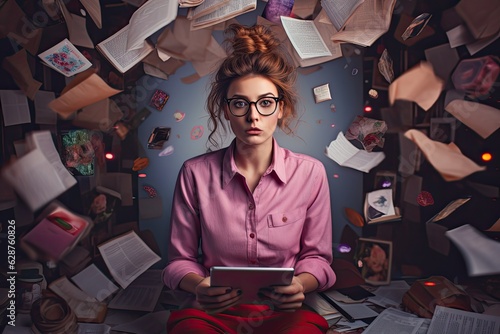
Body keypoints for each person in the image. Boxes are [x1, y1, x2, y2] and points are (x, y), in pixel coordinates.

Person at [163, 23, 336, 334]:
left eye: (265, 103)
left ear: (281, 109)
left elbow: (318, 258)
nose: (253, 116)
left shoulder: (311, 173)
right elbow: (179, 261)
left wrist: (301, 284)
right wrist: (199, 286)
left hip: (284, 314)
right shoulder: (195, 173)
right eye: (240, 103)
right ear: (226, 111)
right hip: (212, 311)